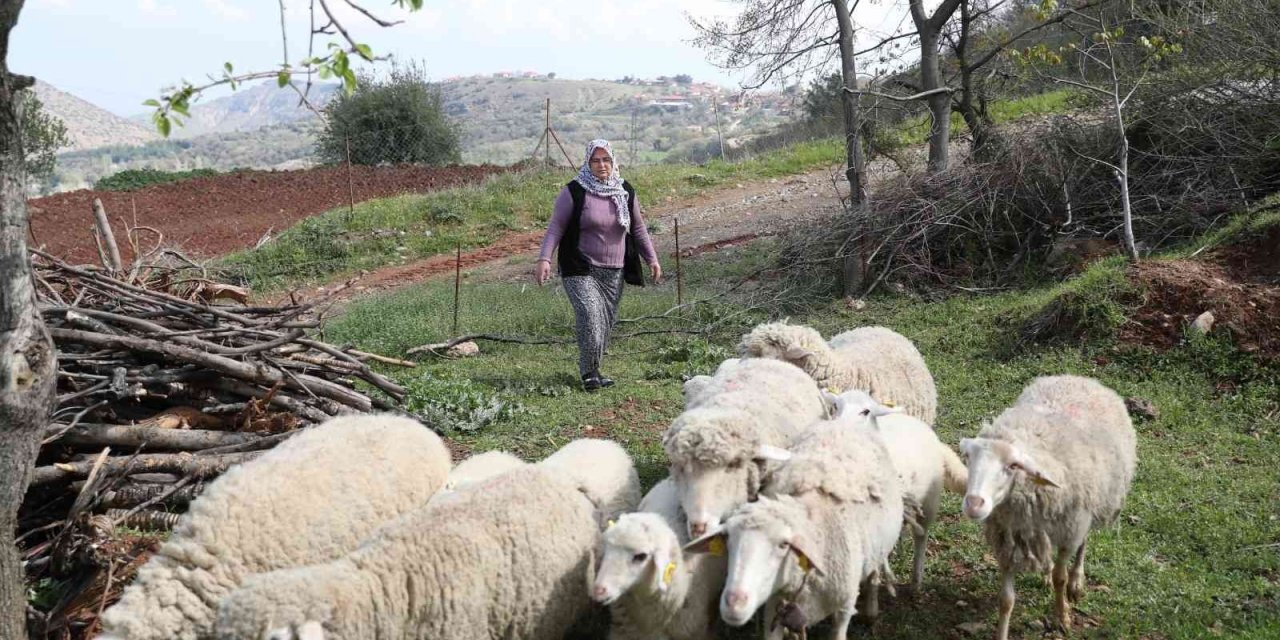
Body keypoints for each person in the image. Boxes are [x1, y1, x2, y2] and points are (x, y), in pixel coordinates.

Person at [535, 139, 662, 391]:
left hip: (614, 271)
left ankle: (594, 368)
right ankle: (589, 374)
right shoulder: (575, 191)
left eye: (606, 160)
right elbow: (556, 227)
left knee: (604, 324)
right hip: (580, 268)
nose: (602, 165)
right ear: (588, 162)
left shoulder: (625, 191)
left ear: (613, 161)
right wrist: (544, 258)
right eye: (596, 160)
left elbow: (637, 228)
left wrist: (652, 259)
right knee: (591, 316)